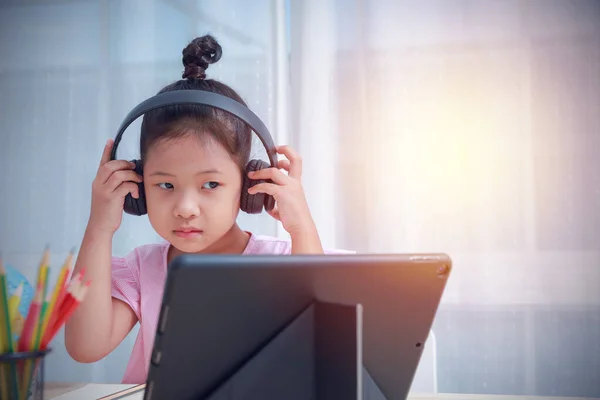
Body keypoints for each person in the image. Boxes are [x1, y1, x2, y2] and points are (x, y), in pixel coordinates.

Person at [64, 34, 350, 384]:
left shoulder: (287, 265)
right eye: (165, 185)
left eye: (210, 185)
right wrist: (99, 227)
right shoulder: (143, 269)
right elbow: (84, 346)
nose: (185, 208)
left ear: (249, 185)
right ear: (136, 186)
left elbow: (323, 351)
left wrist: (302, 228)